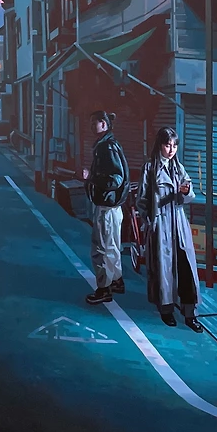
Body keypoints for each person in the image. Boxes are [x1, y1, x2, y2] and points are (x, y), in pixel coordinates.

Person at [140, 127, 203, 332]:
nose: (171, 150)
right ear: (159, 145)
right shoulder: (150, 168)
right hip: (160, 223)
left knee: (186, 266)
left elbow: (189, 194)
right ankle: (166, 309)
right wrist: (149, 221)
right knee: (163, 268)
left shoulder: (178, 167)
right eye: (168, 145)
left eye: (175, 145)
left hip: (178, 221)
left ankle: (190, 313)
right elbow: (142, 199)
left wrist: (185, 191)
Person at [80, 110, 128, 305]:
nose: (93, 126)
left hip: (106, 205)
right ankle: (116, 281)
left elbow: (115, 179)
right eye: (92, 122)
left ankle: (104, 289)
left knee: (100, 249)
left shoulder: (105, 147)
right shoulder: (111, 144)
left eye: (97, 122)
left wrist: (90, 176)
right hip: (115, 206)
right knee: (113, 246)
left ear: (105, 124)